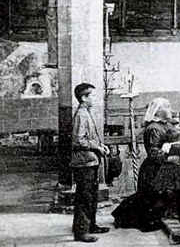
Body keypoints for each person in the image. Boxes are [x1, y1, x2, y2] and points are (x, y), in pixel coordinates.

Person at [112, 98, 180, 232]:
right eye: (166, 107)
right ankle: (122, 217)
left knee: (154, 199)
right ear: (158, 111)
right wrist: (173, 149)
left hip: (162, 168)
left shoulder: (164, 125)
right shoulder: (153, 128)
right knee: (148, 198)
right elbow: (154, 153)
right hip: (154, 170)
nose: (169, 109)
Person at [71, 83, 110, 243]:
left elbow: (89, 137)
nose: (94, 98)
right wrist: (97, 148)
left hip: (90, 161)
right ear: (84, 97)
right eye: (91, 95)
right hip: (84, 163)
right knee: (85, 197)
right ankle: (81, 232)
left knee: (91, 195)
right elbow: (79, 140)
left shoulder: (86, 112)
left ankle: (90, 225)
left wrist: (101, 146)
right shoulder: (81, 115)